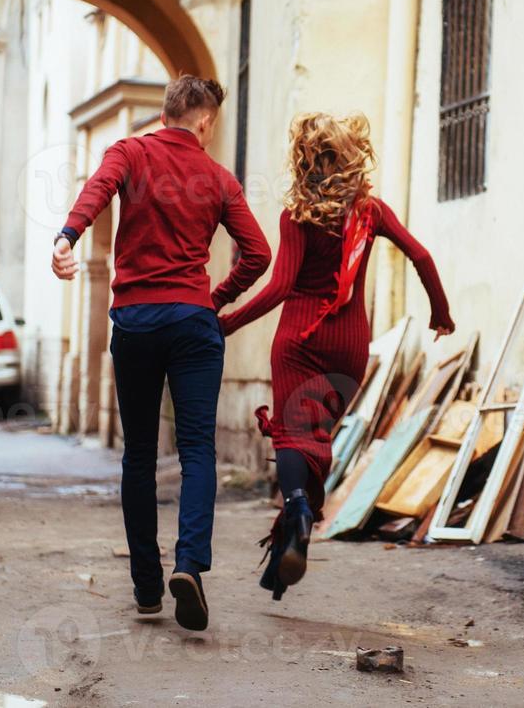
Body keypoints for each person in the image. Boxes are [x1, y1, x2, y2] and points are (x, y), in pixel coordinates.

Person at [52, 76, 270, 632]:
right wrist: (214, 298)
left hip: (136, 322)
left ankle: (147, 588)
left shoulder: (129, 152)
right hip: (193, 323)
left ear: (167, 112)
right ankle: (190, 565)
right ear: (204, 121)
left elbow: (97, 190)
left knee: (140, 456)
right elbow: (258, 253)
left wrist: (67, 238)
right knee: (198, 449)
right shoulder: (218, 178)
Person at [218, 112, 455, 600]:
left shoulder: (297, 217)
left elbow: (281, 287)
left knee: (290, 433)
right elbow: (423, 257)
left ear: (303, 162)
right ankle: (285, 556)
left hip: (299, 341)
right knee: (317, 435)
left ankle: (300, 505)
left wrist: (226, 321)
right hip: (350, 345)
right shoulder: (372, 212)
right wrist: (440, 313)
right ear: (350, 156)